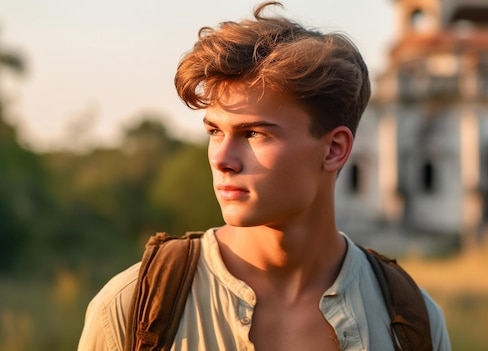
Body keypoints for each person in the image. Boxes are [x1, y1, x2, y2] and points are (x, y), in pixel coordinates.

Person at [77, 2, 451, 350]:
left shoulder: (410, 321)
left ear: (335, 149)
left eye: (254, 134)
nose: (221, 159)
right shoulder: (133, 311)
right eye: (214, 132)